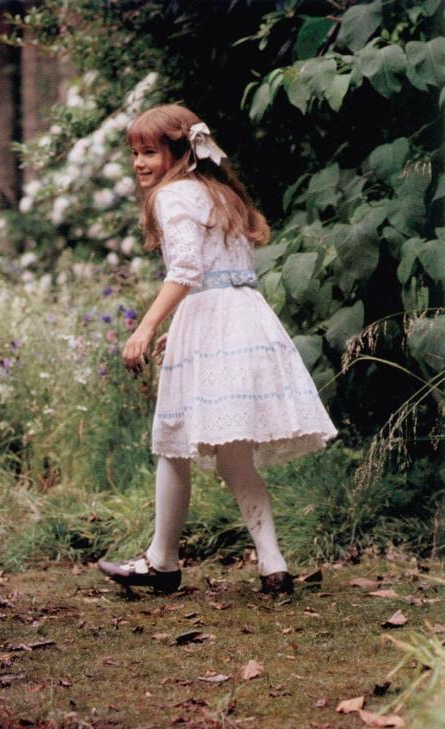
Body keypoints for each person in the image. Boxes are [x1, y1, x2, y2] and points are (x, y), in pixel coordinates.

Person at [98, 104, 337, 596]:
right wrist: (183, 328)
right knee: (233, 456)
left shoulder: (173, 197)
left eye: (149, 152)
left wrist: (145, 328)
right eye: (135, 154)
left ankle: (162, 562)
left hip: (214, 322)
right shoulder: (221, 193)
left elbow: (185, 267)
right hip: (238, 317)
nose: (140, 163)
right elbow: (220, 271)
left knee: (172, 440)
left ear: (181, 152)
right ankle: (273, 566)